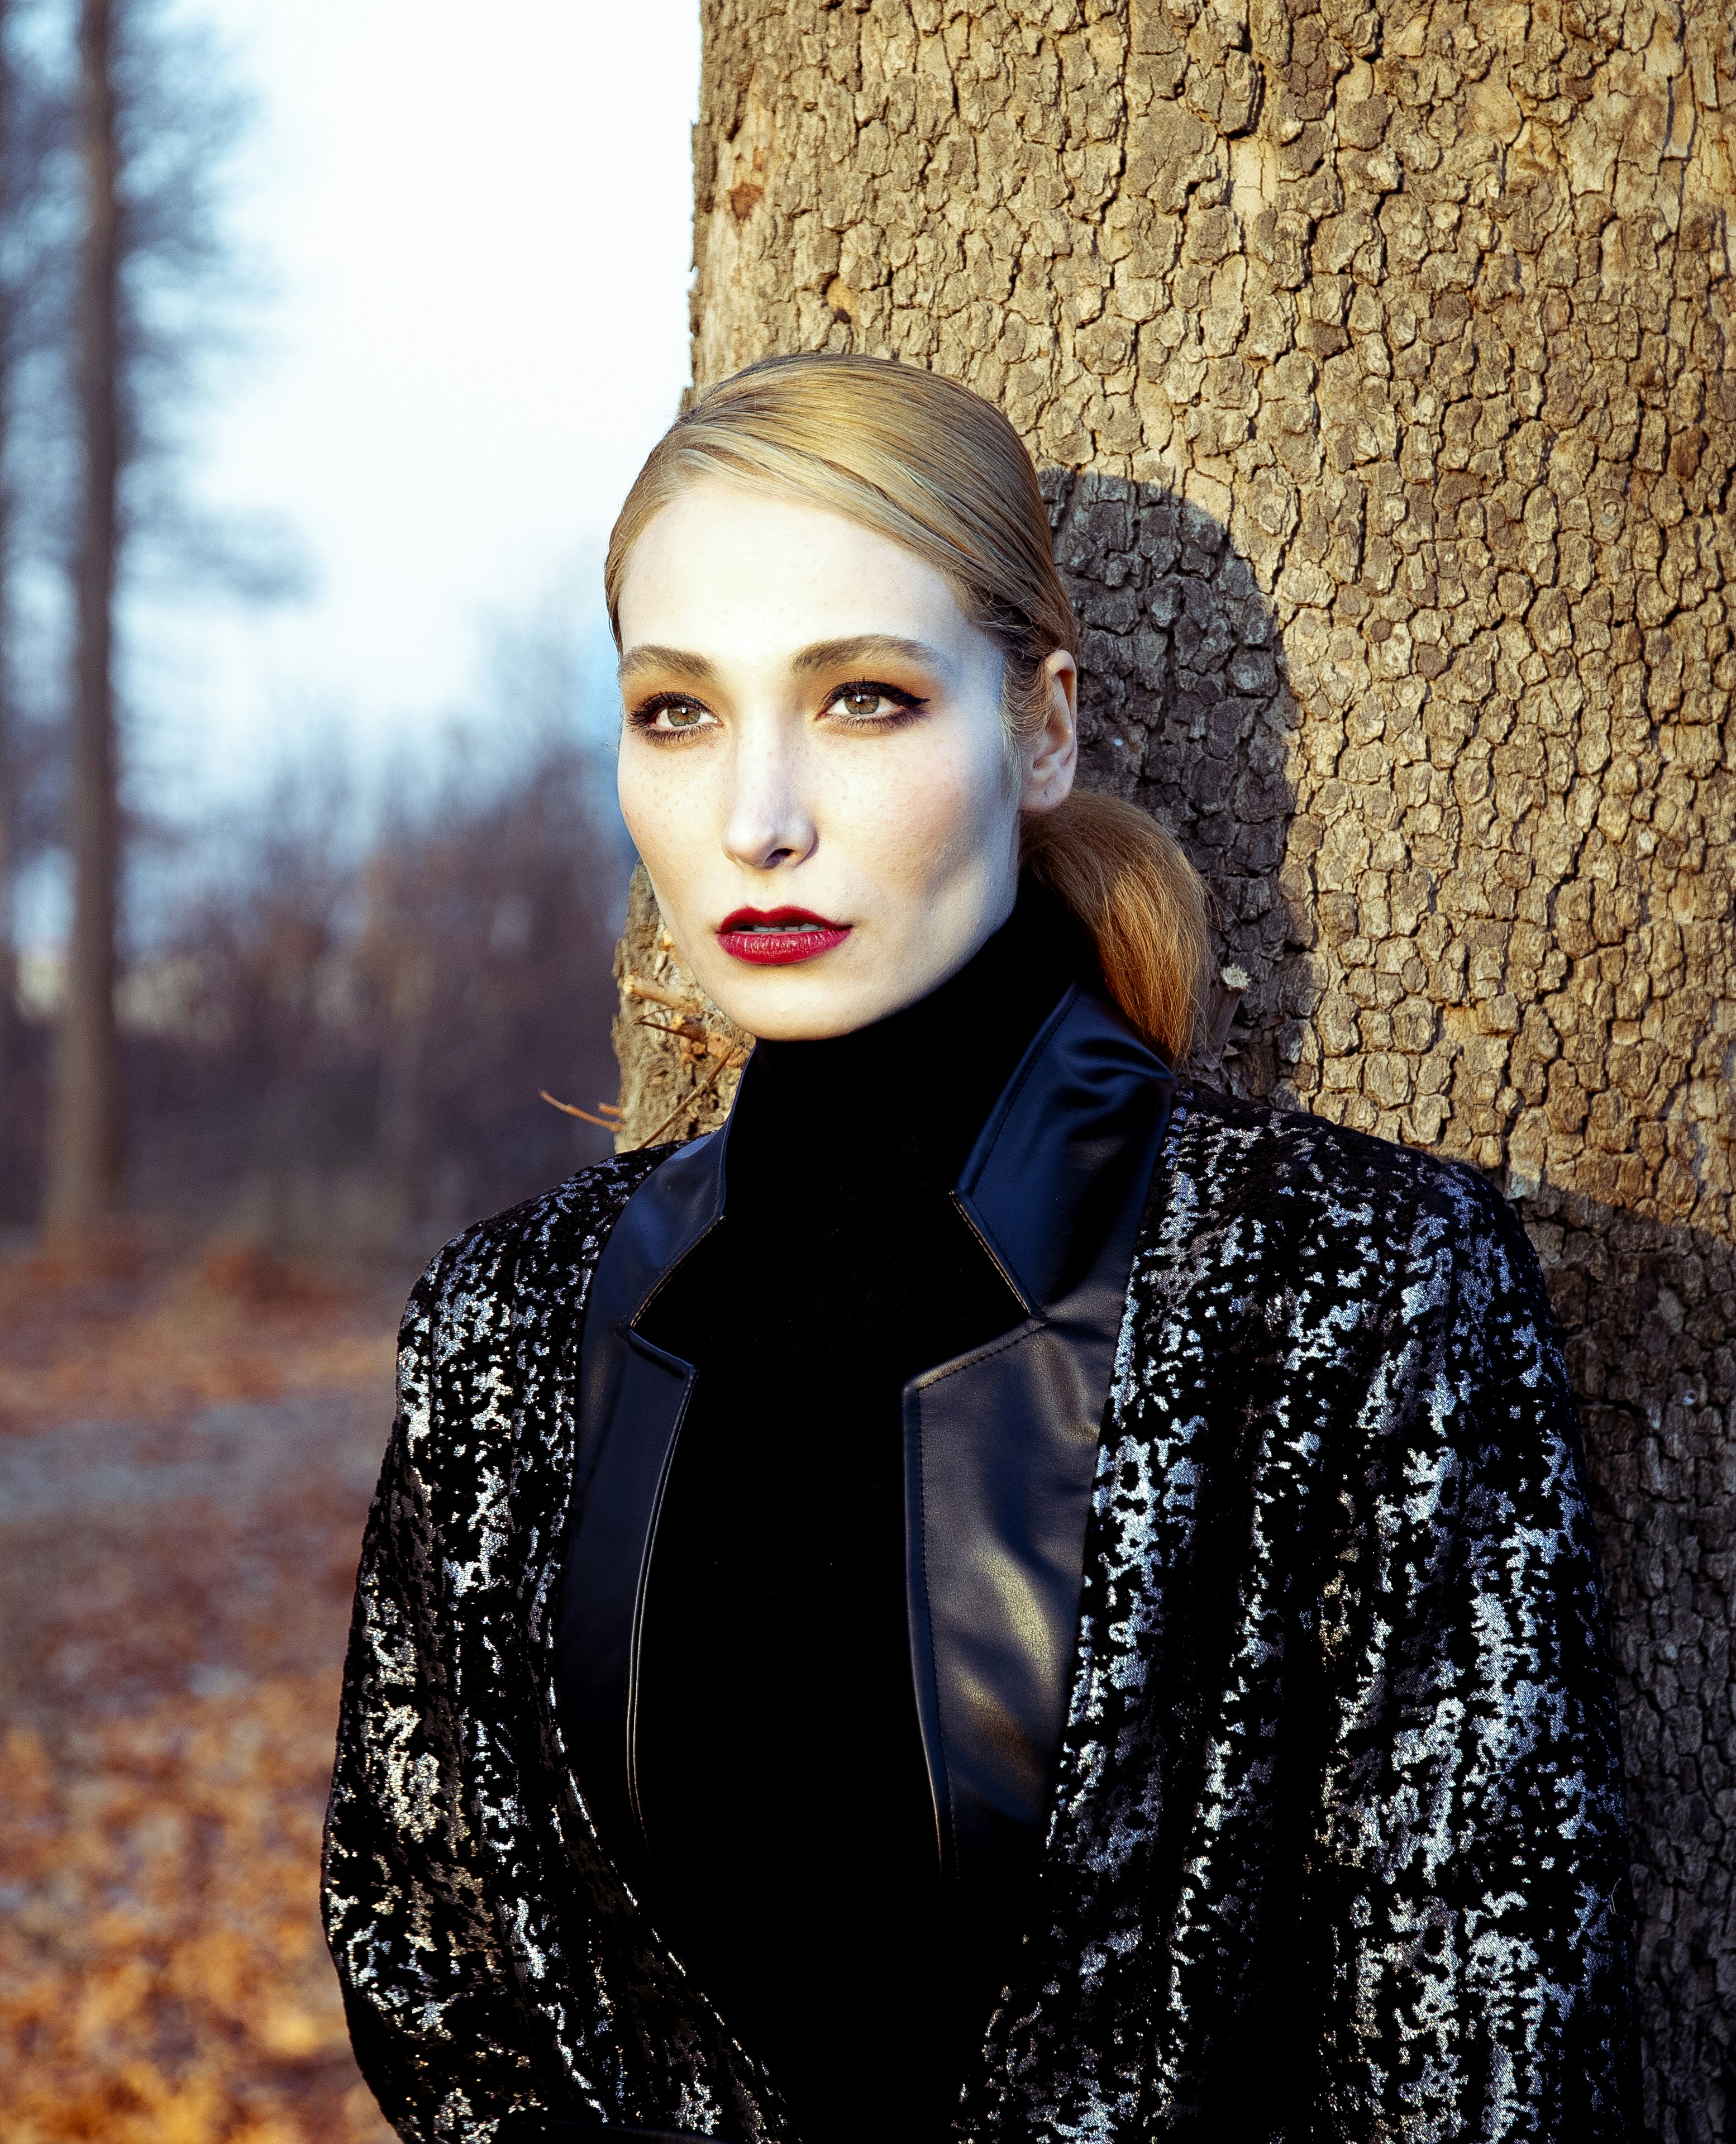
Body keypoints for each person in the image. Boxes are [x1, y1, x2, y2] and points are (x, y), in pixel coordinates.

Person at [324, 354, 1626, 2143]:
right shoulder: (505, 1326)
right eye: (677, 713)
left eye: (862, 699)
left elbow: (1476, 2062)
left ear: (1041, 731)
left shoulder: (1353, 1286)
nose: (757, 818)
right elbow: (430, 1971)